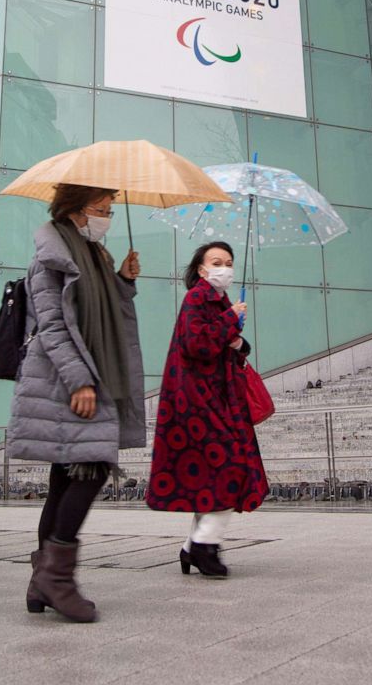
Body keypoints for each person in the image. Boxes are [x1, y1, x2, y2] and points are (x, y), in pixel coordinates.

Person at [7, 184, 145, 622]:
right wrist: (79, 381)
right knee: (92, 467)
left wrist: (123, 280)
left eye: (109, 209)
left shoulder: (95, 254)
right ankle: (56, 579)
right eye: (100, 209)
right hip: (66, 380)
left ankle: (41, 580)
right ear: (73, 209)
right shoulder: (51, 258)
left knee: (66, 479)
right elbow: (51, 326)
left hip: (92, 373)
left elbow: (104, 311)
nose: (106, 216)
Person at [146, 241, 268, 578]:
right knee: (230, 469)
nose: (224, 268)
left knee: (215, 477)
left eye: (228, 262)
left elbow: (223, 347)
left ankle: (194, 547)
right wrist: (230, 320)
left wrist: (239, 340)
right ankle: (203, 546)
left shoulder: (219, 301)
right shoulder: (197, 297)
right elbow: (196, 344)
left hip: (218, 398)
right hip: (198, 401)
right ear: (201, 269)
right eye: (216, 262)